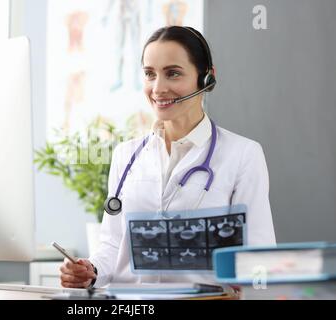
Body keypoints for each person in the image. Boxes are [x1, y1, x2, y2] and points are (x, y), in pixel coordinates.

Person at [59, 26, 276, 289]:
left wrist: (246, 278)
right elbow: (113, 244)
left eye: (173, 73)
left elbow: (259, 254)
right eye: (150, 74)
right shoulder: (125, 155)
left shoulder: (242, 154)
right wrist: (90, 270)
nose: (158, 88)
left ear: (207, 78)